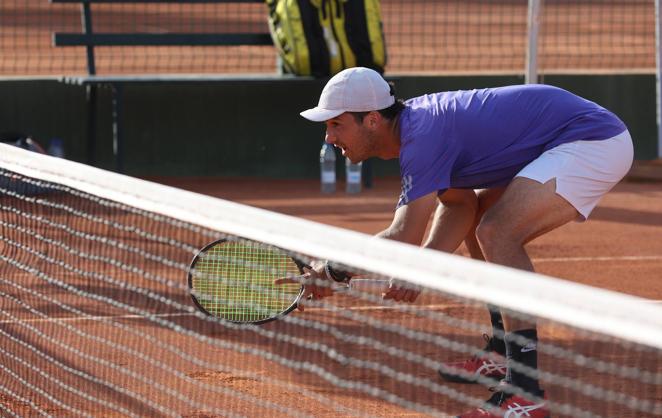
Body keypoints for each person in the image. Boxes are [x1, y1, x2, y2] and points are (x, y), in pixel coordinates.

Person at [297, 67, 633, 418]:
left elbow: (402, 236)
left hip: (592, 139)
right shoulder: (415, 130)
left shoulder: (422, 137)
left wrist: (333, 270)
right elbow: (460, 205)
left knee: (497, 231)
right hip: (559, 138)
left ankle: (525, 392)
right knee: (480, 223)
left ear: (371, 120)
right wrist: (423, 266)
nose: (329, 138)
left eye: (336, 125)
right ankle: (504, 354)